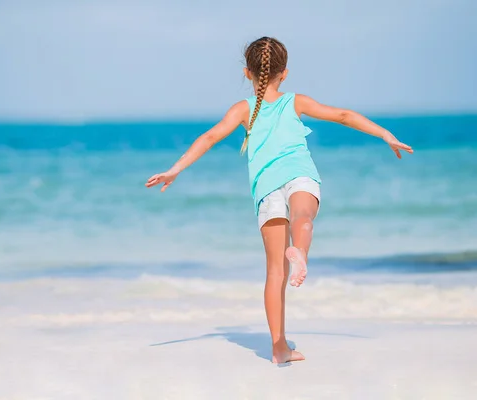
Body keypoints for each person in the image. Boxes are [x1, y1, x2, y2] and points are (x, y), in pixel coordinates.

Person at [145, 36, 413, 364]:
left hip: (266, 188)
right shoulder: (295, 102)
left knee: (275, 272)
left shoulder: (242, 110)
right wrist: (386, 134)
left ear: (247, 73)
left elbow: (210, 136)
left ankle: (278, 347)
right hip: (299, 174)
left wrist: (175, 170)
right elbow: (342, 115)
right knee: (304, 218)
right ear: (284, 74)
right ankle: (300, 251)